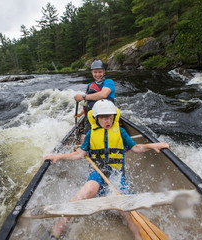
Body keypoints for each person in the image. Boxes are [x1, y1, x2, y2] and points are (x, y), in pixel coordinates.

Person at [44, 100, 170, 240]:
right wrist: (58, 156)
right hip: (98, 172)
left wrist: (152, 146)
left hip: (116, 173)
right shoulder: (91, 134)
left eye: (110, 117)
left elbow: (135, 148)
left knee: (126, 205)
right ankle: (58, 227)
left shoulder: (120, 132)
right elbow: (79, 154)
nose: (108, 120)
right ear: (97, 118)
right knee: (88, 190)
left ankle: (138, 235)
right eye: (104, 118)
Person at [74, 59, 115, 143]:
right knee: (84, 134)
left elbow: (103, 94)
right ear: (92, 73)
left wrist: (82, 96)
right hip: (92, 114)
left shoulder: (108, 82)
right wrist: (80, 114)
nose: (97, 74)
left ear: (104, 72)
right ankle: (82, 150)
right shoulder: (90, 85)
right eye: (95, 72)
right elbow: (87, 103)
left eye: (100, 72)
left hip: (106, 114)